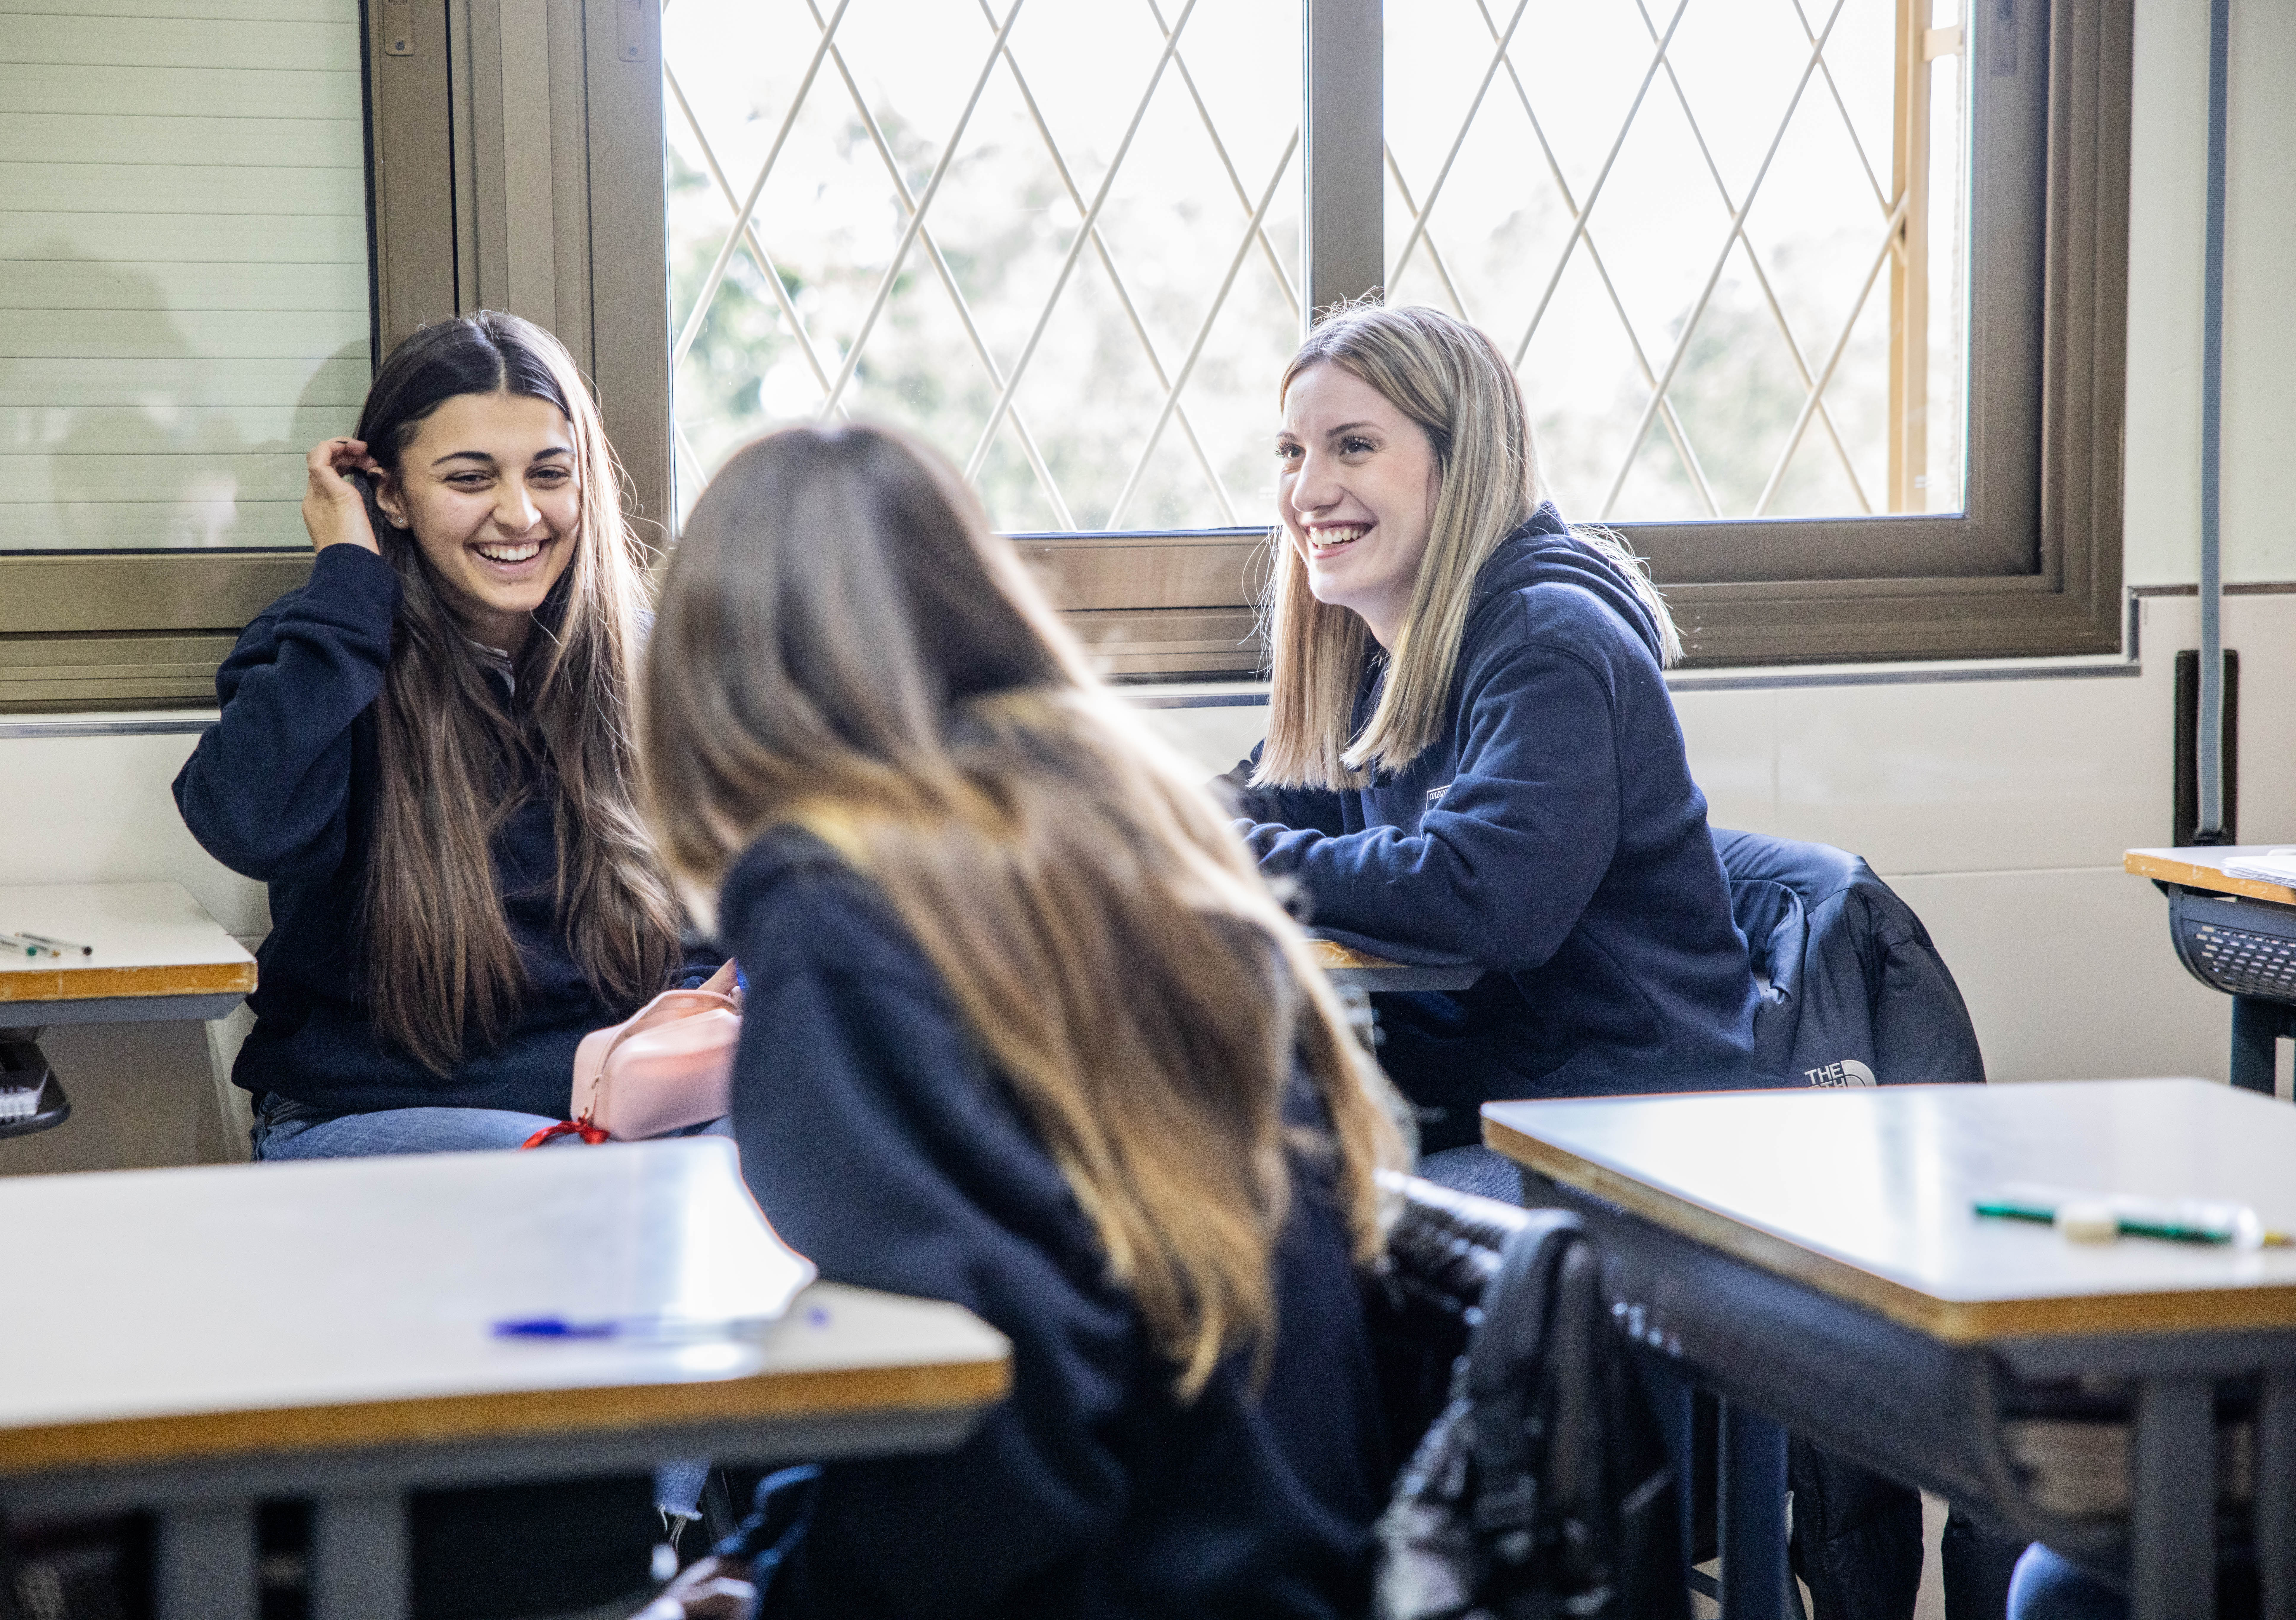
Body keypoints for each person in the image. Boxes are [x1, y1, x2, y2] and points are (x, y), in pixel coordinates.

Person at [638, 423, 1411, 1619]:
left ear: (713, 670)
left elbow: (1002, 1400)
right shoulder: (1129, 827)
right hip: (1280, 1555)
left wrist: (777, 1591)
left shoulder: (836, 909)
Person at [1226, 302, 1758, 1184]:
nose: (1308, 491)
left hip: (1616, 1132)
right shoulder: (1390, 647)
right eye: (1292, 452)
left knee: (1296, 1248)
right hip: (1490, 1098)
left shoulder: (1547, 645)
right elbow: (1278, 794)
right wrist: (1153, 822)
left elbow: (1484, 895)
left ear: (1460, 462)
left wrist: (1225, 855)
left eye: (1353, 447)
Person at [175, 311, 725, 1160]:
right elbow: (250, 825)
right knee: (581, 1188)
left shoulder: (650, 661)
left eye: (550, 474)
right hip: (375, 1118)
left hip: (631, 1124)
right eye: (470, 480)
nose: (520, 514)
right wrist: (350, 582)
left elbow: (711, 944)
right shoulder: (321, 647)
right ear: (388, 494)